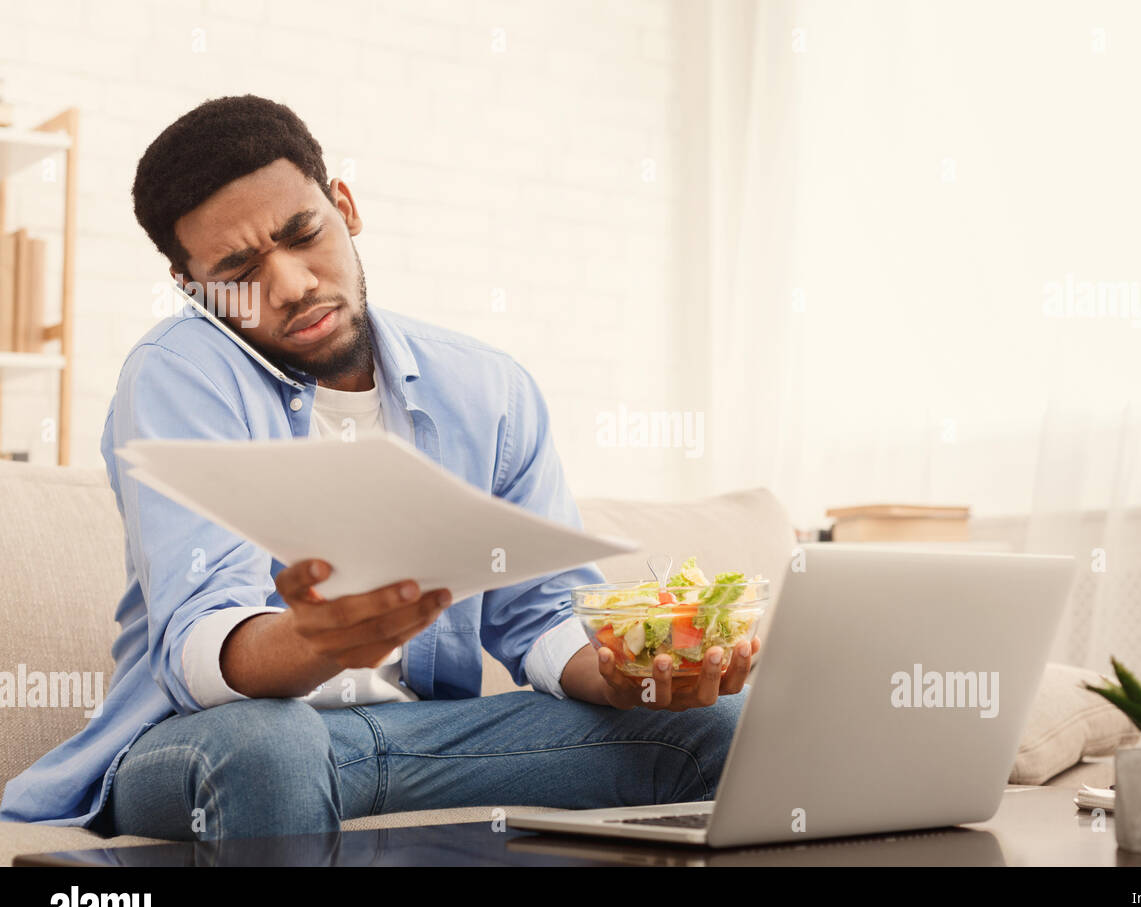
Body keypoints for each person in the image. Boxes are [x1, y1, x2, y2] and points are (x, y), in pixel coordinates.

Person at [0, 94, 759, 842]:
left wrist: (626, 671)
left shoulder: (487, 391)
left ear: (345, 205)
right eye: (238, 269)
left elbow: (542, 619)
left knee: (711, 725)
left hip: (424, 736)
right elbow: (198, 643)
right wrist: (314, 639)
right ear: (192, 288)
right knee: (274, 749)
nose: (292, 286)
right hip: (210, 743)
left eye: (303, 234)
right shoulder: (178, 375)